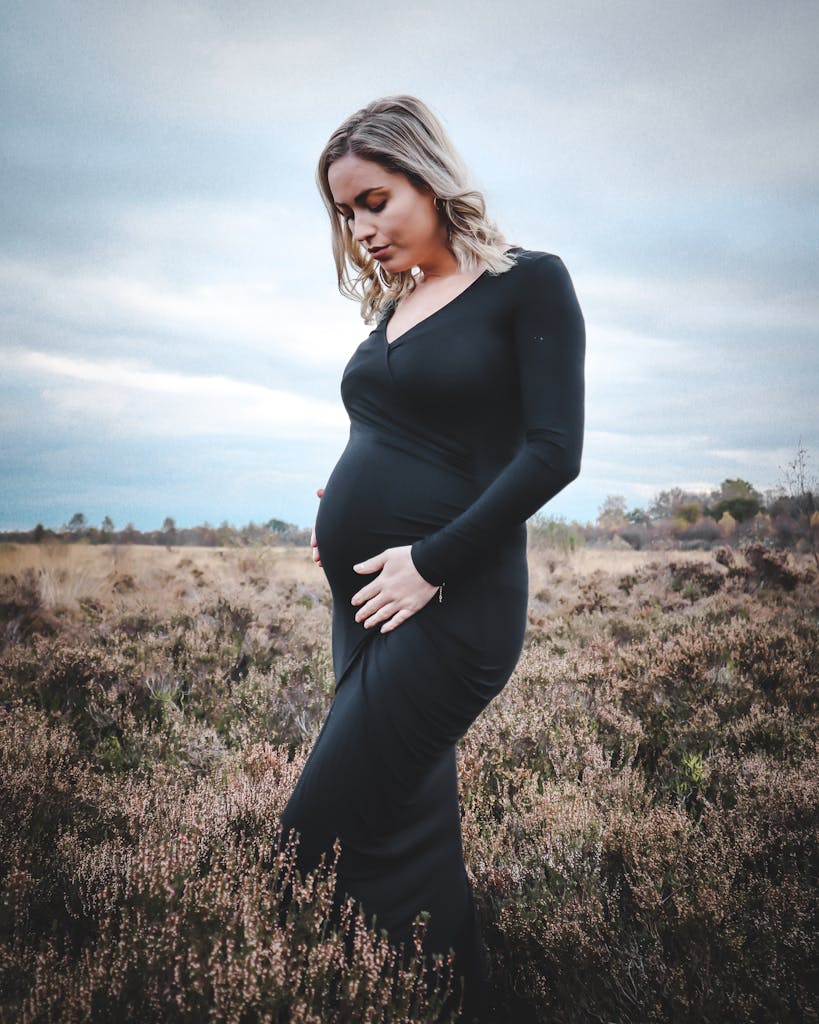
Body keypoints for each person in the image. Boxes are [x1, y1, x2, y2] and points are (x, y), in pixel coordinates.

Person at [277, 94, 585, 1023]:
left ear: (429, 177)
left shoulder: (528, 282)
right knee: (402, 840)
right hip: (370, 604)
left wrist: (432, 560)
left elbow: (551, 452)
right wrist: (352, 492)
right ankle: (456, 1004)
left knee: (310, 845)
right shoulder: (399, 303)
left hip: (451, 605)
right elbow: (412, 429)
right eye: (345, 214)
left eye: (374, 200)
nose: (361, 228)